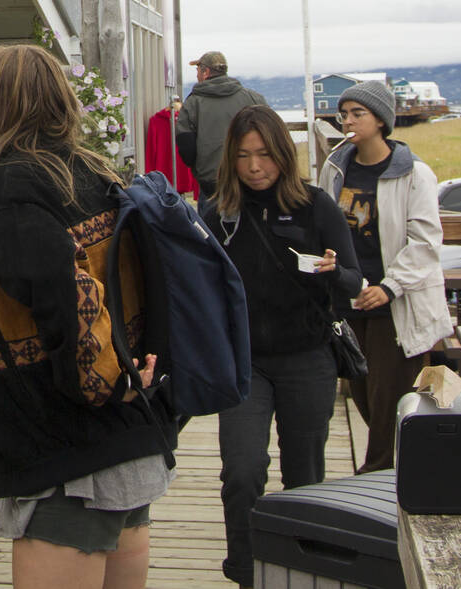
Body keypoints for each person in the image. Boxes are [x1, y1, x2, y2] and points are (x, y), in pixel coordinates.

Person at [0, 44, 179, 589]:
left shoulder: (8, 187)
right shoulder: (92, 172)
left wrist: (106, 383)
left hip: (67, 452)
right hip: (125, 443)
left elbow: (68, 289)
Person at [201, 105, 359, 587]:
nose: (254, 167)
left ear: (283, 156)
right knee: (242, 472)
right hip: (246, 364)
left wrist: (335, 272)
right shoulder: (217, 212)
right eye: (245, 156)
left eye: (265, 155)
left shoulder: (316, 206)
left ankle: (300, 571)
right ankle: (248, 573)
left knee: (304, 475)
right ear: (231, 157)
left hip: (307, 359)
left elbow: (354, 280)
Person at [316, 78, 445, 473]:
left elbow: (425, 242)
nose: (349, 122)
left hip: (396, 305)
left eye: (358, 114)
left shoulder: (413, 174)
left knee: (389, 404)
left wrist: (389, 288)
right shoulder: (336, 167)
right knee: (365, 400)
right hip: (350, 301)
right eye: (344, 115)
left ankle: (375, 485)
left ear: (381, 121)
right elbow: (323, 227)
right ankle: (395, 475)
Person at [175, 51, 267, 199]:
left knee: (212, 222)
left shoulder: (192, 104)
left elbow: (186, 148)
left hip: (212, 184)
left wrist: (199, 170)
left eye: (198, 70)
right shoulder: (254, 98)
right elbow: (271, 136)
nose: (197, 75)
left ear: (206, 72)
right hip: (250, 180)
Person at [142, 97, 199, 197]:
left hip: (164, 173)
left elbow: (151, 152)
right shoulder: (190, 120)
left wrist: (150, 176)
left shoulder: (156, 121)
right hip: (185, 171)